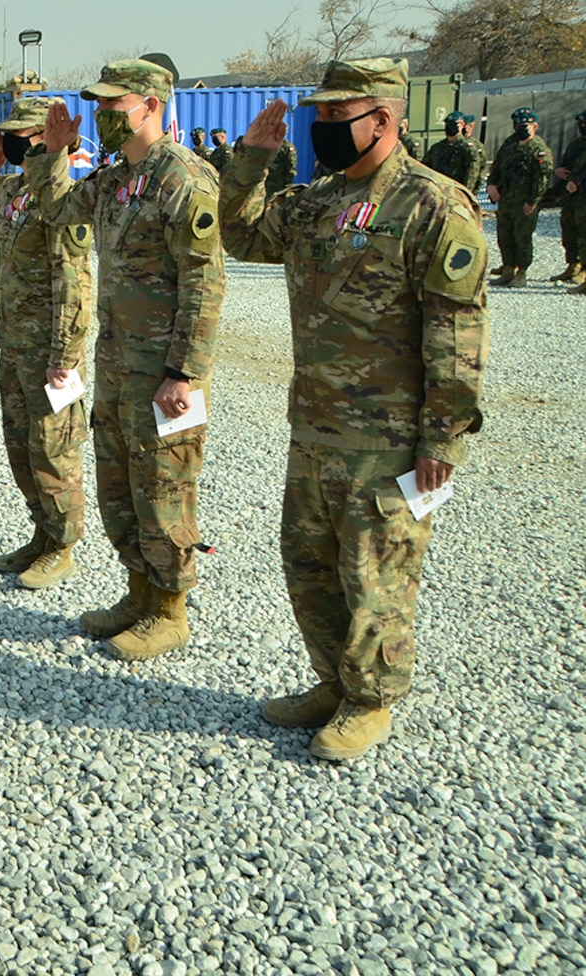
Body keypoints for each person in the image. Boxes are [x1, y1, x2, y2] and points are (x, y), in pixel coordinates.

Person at [220, 58, 489, 761]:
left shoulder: (432, 204)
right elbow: (239, 234)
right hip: (313, 422)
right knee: (307, 561)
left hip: (389, 436)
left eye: (338, 117)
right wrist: (251, 158)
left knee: (376, 572)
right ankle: (331, 681)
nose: (323, 129)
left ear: (384, 118)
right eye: (321, 117)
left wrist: (443, 437)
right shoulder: (315, 200)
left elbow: (456, 330)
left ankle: (369, 700)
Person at [23, 59, 226, 660]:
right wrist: (52, 153)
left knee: (165, 490)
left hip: (165, 375)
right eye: (102, 107)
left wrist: (184, 372)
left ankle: (170, 610)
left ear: (151, 105)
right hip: (116, 366)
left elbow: (205, 283)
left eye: (115, 106)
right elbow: (57, 210)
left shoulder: (183, 179)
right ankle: (138, 594)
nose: (104, 117)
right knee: (120, 488)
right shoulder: (117, 179)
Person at [0, 98, 93, 589]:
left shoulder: (63, 199)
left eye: (23, 135)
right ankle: (41, 533)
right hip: (16, 343)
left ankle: (62, 544)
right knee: (20, 444)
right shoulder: (16, 190)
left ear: (49, 137)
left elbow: (74, 283)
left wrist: (64, 356)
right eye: (11, 135)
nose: (14, 143)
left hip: (49, 352)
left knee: (53, 448)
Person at [487, 107, 554, 287]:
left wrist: (533, 201)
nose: (521, 128)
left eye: (526, 125)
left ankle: (521, 273)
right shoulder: (510, 144)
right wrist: (491, 185)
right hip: (506, 199)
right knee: (504, 235)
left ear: (535, 126)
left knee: (522, 237)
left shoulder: (539, 150)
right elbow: (498, 166)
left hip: (524, 202)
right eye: (518, 125)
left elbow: (541, 179)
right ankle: (508, 269)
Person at [551, 109, 586, 287]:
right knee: (569, 232)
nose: (583, 127)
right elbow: (565, 165)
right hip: (571, 198)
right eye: (581, 124)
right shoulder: (575, 145)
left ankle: (584, 272)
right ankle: (573, 265)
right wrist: (559, 172)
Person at [422, 111, 479, 192]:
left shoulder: (467, 149)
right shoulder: (437, 147)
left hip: (456, 193)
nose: (450, 127)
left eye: (454, 124)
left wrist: (466, 195)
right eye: (448, 124)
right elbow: (425, 167)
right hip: (437, 192)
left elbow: (471, 175)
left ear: (462, 125)